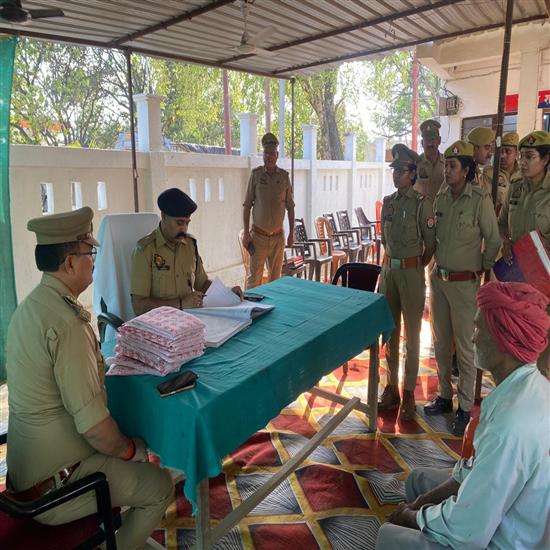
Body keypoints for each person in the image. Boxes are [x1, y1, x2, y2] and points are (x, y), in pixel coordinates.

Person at [6, 207, 173, 549]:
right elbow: (97, 430)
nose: (94, 262)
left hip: (23, 475)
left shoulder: (32, 305)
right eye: (89, 253)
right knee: (160, 485)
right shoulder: (68, 323)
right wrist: (133, 450)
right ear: (69, 263)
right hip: (57, 486)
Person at [376, 282, 550, 550]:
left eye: (479, 328)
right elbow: (474, 470)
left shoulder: (511, 425)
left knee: (387, 536)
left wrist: (412, 517)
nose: (472, 338)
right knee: (417, 481)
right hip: (499, 514)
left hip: (504, 540)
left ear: (504, 339)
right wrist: (421, 504)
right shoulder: (530, 385)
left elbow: (468, 532)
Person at [425, 141, 500, 436]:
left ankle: (465, 407)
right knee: (441, 343)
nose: (447, 170)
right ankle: (444, 395)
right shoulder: (442, 197)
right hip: (439, 281)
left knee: (466, 347)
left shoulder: (479, 199)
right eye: (446, 165)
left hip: (464, 284)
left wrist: (481, 267)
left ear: (466, 170)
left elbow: (493, 239)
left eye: (453, 166)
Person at [378, 144, 436, 420]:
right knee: (390, 332)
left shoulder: (422, 204)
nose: (396, 175)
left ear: (413, 174)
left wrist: (415, 265)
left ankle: (409, 392)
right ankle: (391, 388)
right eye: (394, 170)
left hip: (412, 273)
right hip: (389, 272)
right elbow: (384, 240)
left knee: (412, 335)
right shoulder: (388, 203)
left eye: (401, 171)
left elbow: (431, 244)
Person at [131, 187, 243, 315]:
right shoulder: (145, 250)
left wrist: (227, 293)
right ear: (164, 216)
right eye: (179, 223)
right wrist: (180, 304)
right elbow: (139, 306)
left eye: (187, 223)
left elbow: (202, 284)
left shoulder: (190, 245)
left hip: (191, 317)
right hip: (159, 322)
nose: (184, 229)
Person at [498, 130, 550, 377]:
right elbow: (501, 224)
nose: (523, 162)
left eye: (530, 157)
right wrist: (506, 242)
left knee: (541, 357)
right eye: (521, 156)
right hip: (517, 280)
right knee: (514, 348)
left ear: (546, 159)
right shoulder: (516, 187)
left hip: (544, 285)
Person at [242, 132, 295, 289]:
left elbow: (290, 207)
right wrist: (246, 233)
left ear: (277, 155)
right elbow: (247, 205)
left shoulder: (284, 177)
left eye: (272, 153)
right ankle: (248, 304)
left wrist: (292, 233)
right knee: (254, 280)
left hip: (278, 238)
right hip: (258, 237)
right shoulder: (256, 175)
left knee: (275, 280)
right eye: (266, 152)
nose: (269, 156)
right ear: (263, 154)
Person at [481, 131, 522, 215]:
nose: (503, 155)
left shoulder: (523, 175)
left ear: (517, 154)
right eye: (501, 151)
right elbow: (485, 202)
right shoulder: (490, 173)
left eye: (508, 151)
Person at [415, 119, 445, 201]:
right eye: (427, 140)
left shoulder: (448, 163)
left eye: (432, 139)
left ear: (439, 141)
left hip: (443, 208)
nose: (430, 144)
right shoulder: (415, 163)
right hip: (421, 208)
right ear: (422, 143)